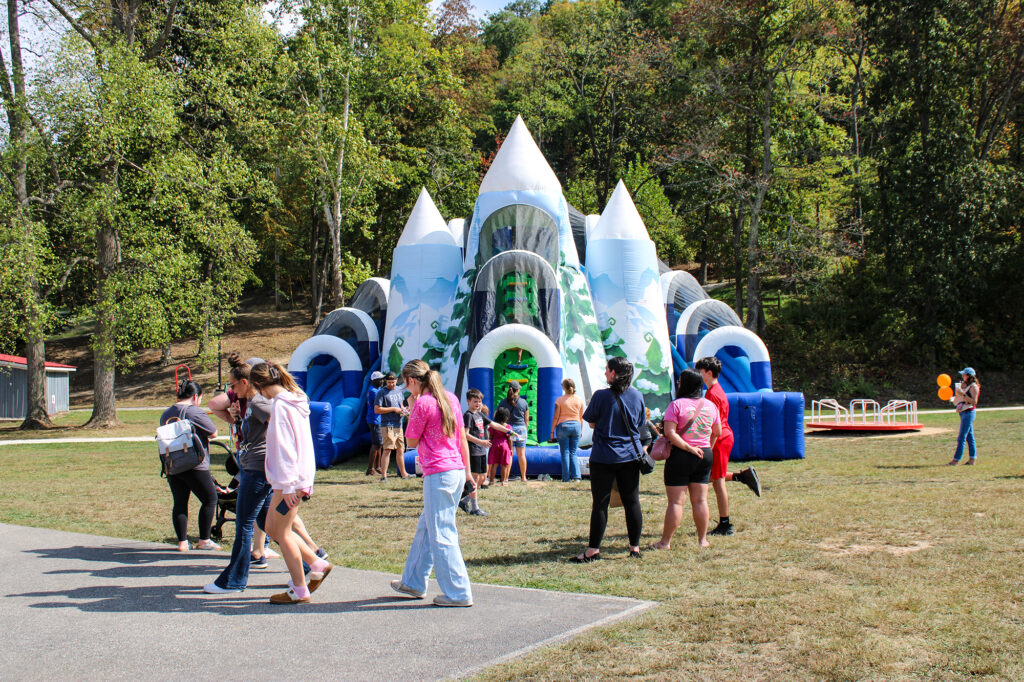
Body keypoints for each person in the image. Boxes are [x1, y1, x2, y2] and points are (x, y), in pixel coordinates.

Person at [390, 359, 475, 607]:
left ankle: (458, 592)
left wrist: (411, 407)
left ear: (412, 380)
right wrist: (468, 472)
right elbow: (461, 437)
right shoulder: (451, 398)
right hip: (454, 469)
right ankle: (414, 581)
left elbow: (411, 441)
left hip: (439, 473)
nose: (407, 390)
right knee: (428, 527)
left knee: (441, 532)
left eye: (407, 385)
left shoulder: (423, 403)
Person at [249, 362, 332, 605]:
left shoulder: (282, 406)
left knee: (283, 534)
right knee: (272, 528)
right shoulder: (294, 400)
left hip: (290, 482)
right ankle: (316, 563)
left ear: (259, 385)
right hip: (293, 479)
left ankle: (299, 588)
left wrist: (286, 486)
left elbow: (285, 448)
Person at [204, 359, 275, 593]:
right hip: (253, 468)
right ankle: (311, 563)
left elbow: (282, 428)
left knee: (244, 525)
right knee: (270, 524)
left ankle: (233, 581)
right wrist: (235, 418)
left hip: (257, 471)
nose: (231, 391)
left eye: (232, 385)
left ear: (245, 382)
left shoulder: (260, 403)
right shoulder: (250, 403)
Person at [571, 357, 646, 563]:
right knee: (632, 501)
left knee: (600, 504)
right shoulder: (637, 395)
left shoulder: (601, 396)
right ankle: (635, 548)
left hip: (604, 456)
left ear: (613, 373)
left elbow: (591, 422)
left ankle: (593, 550)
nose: (605, 373)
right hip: (630, 455)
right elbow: (640, 423)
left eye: (607, 370)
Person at [651, 369, 720, 550]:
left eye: (680, 382)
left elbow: (670, 433)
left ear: (684, 384)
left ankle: (665, 542)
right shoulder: (710, 405)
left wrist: (689, 448)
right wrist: (706, 447)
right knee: (701, 501)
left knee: (675, 502)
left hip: (681, 455)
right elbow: (717, 432)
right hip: (704, 454)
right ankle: (702, 540)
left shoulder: (676, 405)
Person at [694, 356, 762, 536]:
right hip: (723, 437)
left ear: (708, 373)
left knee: (718, 482)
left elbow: (713, 426)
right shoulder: (717, 390)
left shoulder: (711, 394)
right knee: (710, 477)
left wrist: (707, 448)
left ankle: (725, 524)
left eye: (700, 371)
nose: (698, 375)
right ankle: (742, 477)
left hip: (719, 439)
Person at [159, 380, 220, 552]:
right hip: (194, 463)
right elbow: (213, 433)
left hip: (173, 464)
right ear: (195, 396)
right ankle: (204, 539)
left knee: (180, 501)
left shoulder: (167, 413)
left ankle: (182, 542)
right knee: (210, 499)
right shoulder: (194, 411)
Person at [461, 388, 511, 515]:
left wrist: (509, 431)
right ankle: (475, 508)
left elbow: (494, 425)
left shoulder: (480, 414)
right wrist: (481, 442)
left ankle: (464, 500)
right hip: (473, 450)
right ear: (468, 401)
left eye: (479, 401)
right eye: (475, 401)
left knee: (483, 478)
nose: (478, 404)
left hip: (482, 450)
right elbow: (465, 434)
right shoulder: (468, 415)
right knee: (474, 479)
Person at [375, 372, 409, 480]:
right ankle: (384, 476)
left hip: (398, 424)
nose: (391, 384)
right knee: (387, 450)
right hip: (388, 425)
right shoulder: (381, 393)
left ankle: (404, 474)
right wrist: (393, 409)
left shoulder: (399, 390)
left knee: (400, 449)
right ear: (386, 381)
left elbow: (401, 405)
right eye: (389, 382)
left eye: (393, 382)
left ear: (396, 380)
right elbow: (377, 409)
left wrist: (404, 410)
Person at [550, 378, 584, 482]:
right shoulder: (579, 400)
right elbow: (581, 417)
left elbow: (556, 417)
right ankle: (577, 477)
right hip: (576, 426)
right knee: (573, 452)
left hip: (563, 426)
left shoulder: (560, 400)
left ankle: (566, 478)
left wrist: (552, 432)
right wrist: (581, 430)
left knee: (565, 452)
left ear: (564, 387)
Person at [948, 367, 981, 465]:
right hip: (963, 412)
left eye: (964, 374)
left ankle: (955, 460)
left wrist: (963, 394)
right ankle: (972, 459)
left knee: (961, 437)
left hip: (968, 413)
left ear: (969, 376)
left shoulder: (974, 387)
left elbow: (974, 401)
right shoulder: (966, 385)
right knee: (969, 437)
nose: (962, 376)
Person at [499, 381, 530, 480]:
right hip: (521, 428)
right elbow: (526, 419)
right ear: (518, 390)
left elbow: (497, 415)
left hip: (509, 429)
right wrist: (525, 428)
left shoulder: (503, 402)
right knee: (522, 454)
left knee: (510, 454)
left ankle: (506, 478)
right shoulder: (523, 402)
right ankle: (524, 477)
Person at [486, 406, 517, 486]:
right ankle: (503, 481)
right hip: (504, 445)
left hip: (494, 444)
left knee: (494, 464)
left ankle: (491, 481)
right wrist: (511, 448)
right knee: (504, 465)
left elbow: (491, 436)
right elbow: (510, 439)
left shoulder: (494, 426)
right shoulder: (508, 427)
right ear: (506, 417)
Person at [366, 371, 385, 476]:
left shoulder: (375, 390)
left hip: (377, 420)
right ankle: (370, 469)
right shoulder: (374, 391)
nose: (382, 381)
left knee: (379, 444)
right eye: (380, 379)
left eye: (382, 379)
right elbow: (381, 404)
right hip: (374, 420)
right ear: (374, 381)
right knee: (376, 444)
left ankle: (378, 467)